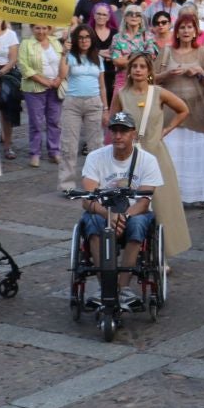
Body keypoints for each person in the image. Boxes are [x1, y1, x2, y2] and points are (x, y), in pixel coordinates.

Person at [78, 111, 162, 298]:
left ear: (133, 134)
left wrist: (124, 217)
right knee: (92, 223)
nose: (117, 136)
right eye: (114, 131)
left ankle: (122, 287)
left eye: (123, 131)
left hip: (134, 212)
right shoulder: (95, 157)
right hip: (103, 212)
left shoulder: (148, 160)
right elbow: (87, 199)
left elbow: (144, 201)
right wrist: (108, 215)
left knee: (138, 224)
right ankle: (105, 286)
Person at [157, 16, 204, 213]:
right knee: (171, 157)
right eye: (182, 28)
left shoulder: (202, 53)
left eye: (190, 28)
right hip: (170, 115)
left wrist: (200, 73)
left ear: (195, 32)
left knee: (197, 157)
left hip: (197, 113)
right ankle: (170, 197)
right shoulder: (166, 52)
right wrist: (167, 75)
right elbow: (150, 78)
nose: (186, 31)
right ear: (176, 32)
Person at [57, 26, 106, 194]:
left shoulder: (98, 58)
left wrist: (106, 108)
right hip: (73, 103)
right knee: (69, 145)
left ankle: (95, 183)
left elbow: (102, 86)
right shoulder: (70, 56)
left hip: (94, 103)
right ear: (76, 40)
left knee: (96, 145)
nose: (84, 40)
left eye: (87, 37)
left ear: (92, 39)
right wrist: (63, 53)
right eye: (81, 37)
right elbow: (62, 75)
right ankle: (67, 185)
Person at [17, 23, 65, 168]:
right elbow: (24, 67)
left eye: (44, 28)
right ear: (32, 28)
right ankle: (35, 153)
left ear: (49, 29)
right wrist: (44, 81)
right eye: (37, 28)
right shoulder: (26, 44)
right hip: (34, 88)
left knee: (54, 121)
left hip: (55, 87)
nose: (41, 31)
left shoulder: (55, 42)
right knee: (36, 122)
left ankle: (54, 151)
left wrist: (59, 79)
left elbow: (64, 61)